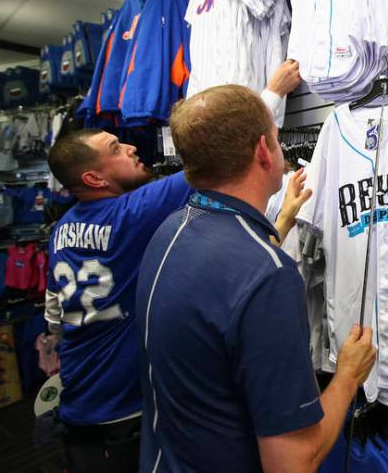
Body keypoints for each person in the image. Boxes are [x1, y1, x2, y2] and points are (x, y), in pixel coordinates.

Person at [44, 62, 301, 473]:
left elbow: (54, 316)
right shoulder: (132, 214)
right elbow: (219, 160)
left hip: (79, 398)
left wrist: (282, 220)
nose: (129, 148)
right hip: (121, 414)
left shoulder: (61, 230)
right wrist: (271, 93)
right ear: (93, 178)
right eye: (115, 150)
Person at [136, 84, 376, 473]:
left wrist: (281, 223)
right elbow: (295, 462)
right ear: (264, 151)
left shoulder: (170, 230)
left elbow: (226, 284)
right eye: (279, 140)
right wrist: (349, 374)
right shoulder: (269, 276)